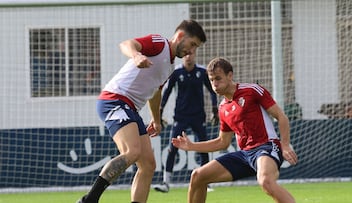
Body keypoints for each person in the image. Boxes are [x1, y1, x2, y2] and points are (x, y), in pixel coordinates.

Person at [76, 19, 207, 203]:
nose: (192, 52)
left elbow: (155, 93)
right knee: (132, 152)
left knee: (148, 165)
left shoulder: (169, 67)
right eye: (192, 44)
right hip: (114, 100)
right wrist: (136, 55)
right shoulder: (159, 43)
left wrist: (157, 120)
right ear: (180, 36)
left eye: (196, 48)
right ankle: (88, 200)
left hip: (130, 108)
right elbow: (126, 44)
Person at [172, 57, 298, 203]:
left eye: (218, 78)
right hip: (245, 155)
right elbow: (222, 142)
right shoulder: (222, 107)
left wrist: (285, 144)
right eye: (211, 80)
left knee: (265, 181)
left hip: (267, 147)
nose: (215, 84)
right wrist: (192, 146)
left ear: (230, 75)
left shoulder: (251, 91)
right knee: (198, 176)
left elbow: (281, 116)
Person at [153, 51, 218, 193]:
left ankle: (205, 183)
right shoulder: (176, 72)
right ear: (183, 56)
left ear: (195, 55)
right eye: (186, 54)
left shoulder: (202, 71)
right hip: (180, 117)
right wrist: (160, 112)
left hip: (198, 116)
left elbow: (212, 91)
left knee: (203, 147)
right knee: (172, 148)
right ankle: (166, 183)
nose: (189, 56)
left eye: (191, 54)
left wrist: (215, 110)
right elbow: (167, 92)